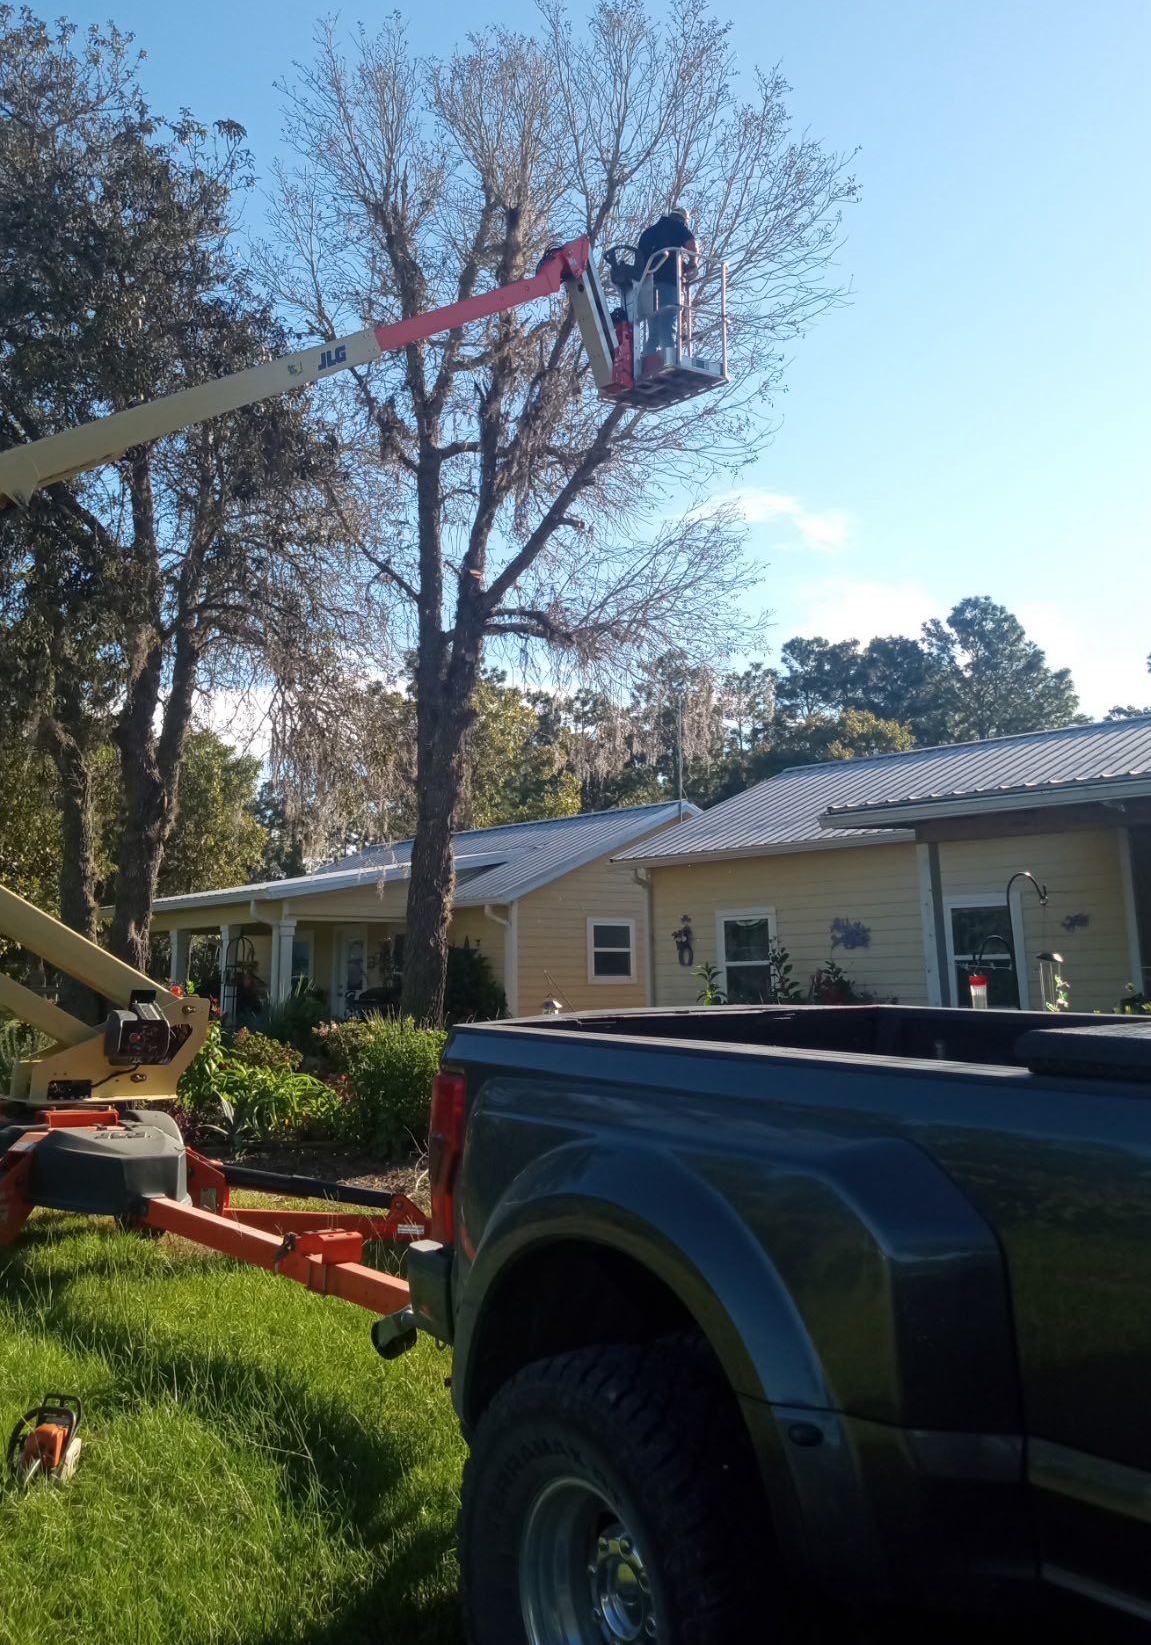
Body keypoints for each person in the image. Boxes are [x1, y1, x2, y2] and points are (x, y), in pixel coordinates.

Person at [635, 205, 698, 354]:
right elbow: (692, 245)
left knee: (654, 333)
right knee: (667, 323)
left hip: (648, 285)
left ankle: (647, 361)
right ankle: (671, 359)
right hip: (669, 282)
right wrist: (693, 264)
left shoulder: (649, 232)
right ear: (683, 220)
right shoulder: (677, 227)